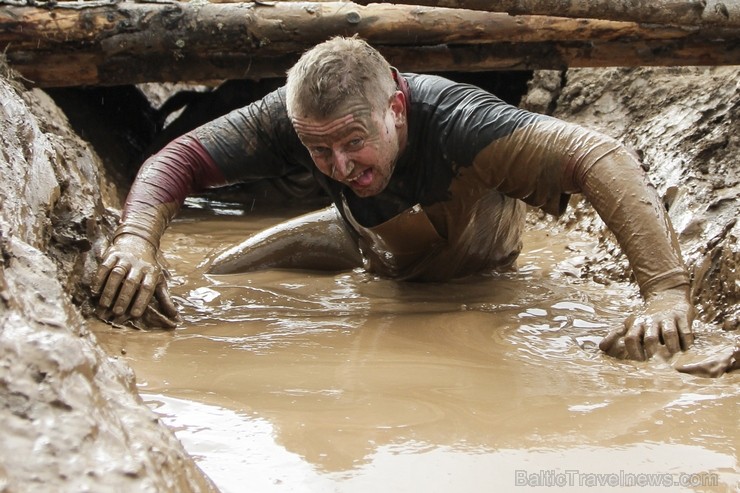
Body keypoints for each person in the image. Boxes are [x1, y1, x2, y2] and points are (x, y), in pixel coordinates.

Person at [92, 36, 695, 362]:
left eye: (353, 142)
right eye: (318, 150)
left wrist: (665, 290)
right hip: (365, 240)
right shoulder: (295, 119)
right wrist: (136, 243)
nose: (339, 164)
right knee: (220, 270)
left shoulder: (464, 122)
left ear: (396, 108)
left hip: (470, 269)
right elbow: (177, 158)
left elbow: (602, 157)